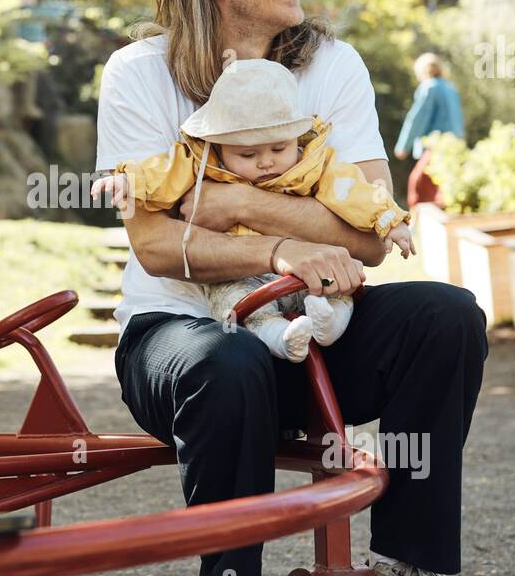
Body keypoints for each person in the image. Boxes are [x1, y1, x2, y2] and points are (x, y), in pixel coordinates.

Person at [93, 0, 487, 576]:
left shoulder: (332, 68)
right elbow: (153, 245)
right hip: (182, 342)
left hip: (316, 337)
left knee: (447, 314)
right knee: (227, 360)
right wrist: (288, 243)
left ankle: (408, 568)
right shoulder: (139, 74)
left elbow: (369, 234)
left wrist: (238, 208)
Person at [105, 57, 413, 365]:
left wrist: (389, 220)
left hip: (312, 273)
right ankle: (280, 337)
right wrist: (129, 181)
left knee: (341, 287)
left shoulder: (314, 165)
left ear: (297, 139)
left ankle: (329, 323)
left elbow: (354, 192)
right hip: (243, 274)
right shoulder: (202, 164)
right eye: (248, 154)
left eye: (279, 149)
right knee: (232, 300)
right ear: (219, 146)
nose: (266, 162)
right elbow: (163, 173)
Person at [393, 52, 465, 208]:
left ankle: (421, 229)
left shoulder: (429, 87)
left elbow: (418, 118)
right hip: (454, 146)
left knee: (418, 188)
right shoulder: (450, 88)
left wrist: (403, 146)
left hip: (436, 146)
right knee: (446, 190)